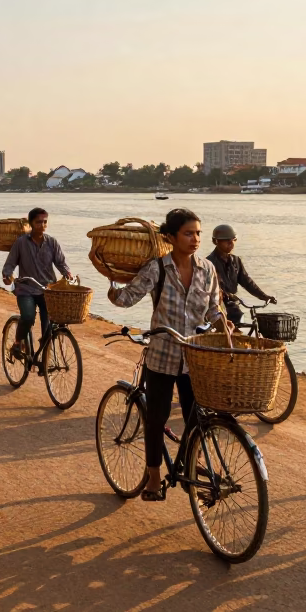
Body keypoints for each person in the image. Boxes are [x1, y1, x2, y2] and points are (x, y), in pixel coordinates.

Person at [107, 208, 223, 501]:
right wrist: (113, 290)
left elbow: (213, 308)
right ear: (170, 237)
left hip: (195, 357)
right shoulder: (156, 269)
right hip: (162, 356)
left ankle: (191, 463)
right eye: (188, 233)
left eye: (198, 233)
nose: (195, 239)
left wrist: (222, 321)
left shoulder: (207, 269)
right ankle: (154, 476)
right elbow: (128, 298)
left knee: (196, 418)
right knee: (156, 418)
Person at [2, 207, 73, 358]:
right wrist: (7, 275)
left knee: (49, 326)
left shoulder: (52, 242)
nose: (42, 225)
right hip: (26, 288)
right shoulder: (21, 242)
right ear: (31, 223)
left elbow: (61, 262)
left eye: (45, 222)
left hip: (48, 290)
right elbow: (10, 263)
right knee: (28, 317)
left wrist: (67, 273)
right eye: (39, 222)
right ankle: (18, 343)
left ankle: (44, 357)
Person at [207, 224, 275, 326]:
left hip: (233, 304)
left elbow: (247, 282)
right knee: (235, 318)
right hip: (216, 306)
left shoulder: (236, 261)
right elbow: (211, 287)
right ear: (216, 241)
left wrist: (264, 296)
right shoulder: (209, 263)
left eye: (233, 240)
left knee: (239, 318)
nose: (231, 244)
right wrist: (224, 293)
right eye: (227, 241)